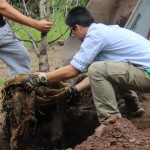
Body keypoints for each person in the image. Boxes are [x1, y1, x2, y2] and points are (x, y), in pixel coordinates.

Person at [24, 6, 150, 124]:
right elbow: (102, 73)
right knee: (106, 67)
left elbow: (74, 70)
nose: (74, 36)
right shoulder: (104, 30)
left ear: (77, 27)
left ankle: (111, 123)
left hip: (147, 74)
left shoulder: (94, 36)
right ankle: (132, 106)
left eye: (72, 32)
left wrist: (41, 77)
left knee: (97, 68)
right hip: (144, 71)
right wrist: (74, 90)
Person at [0, 0, 52, 76]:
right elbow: (2, 6)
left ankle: (17, 86)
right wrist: (36, 24)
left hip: (3, 28)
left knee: (20, 58)